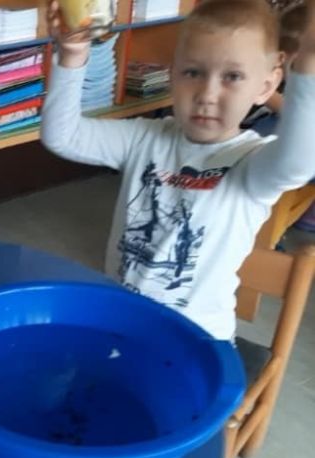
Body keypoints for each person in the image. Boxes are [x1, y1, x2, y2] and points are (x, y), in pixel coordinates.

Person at [41, 0, 315, 340]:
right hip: (123, 322)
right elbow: (63, 136)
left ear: (266, 86)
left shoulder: (251, 163)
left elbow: (298, 163)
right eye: (193, 72)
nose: (207, 94)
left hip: (197, 341)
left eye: (232, 77)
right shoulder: (144, 137)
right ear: (172, 74)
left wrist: (307, 66)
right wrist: (71, 55)